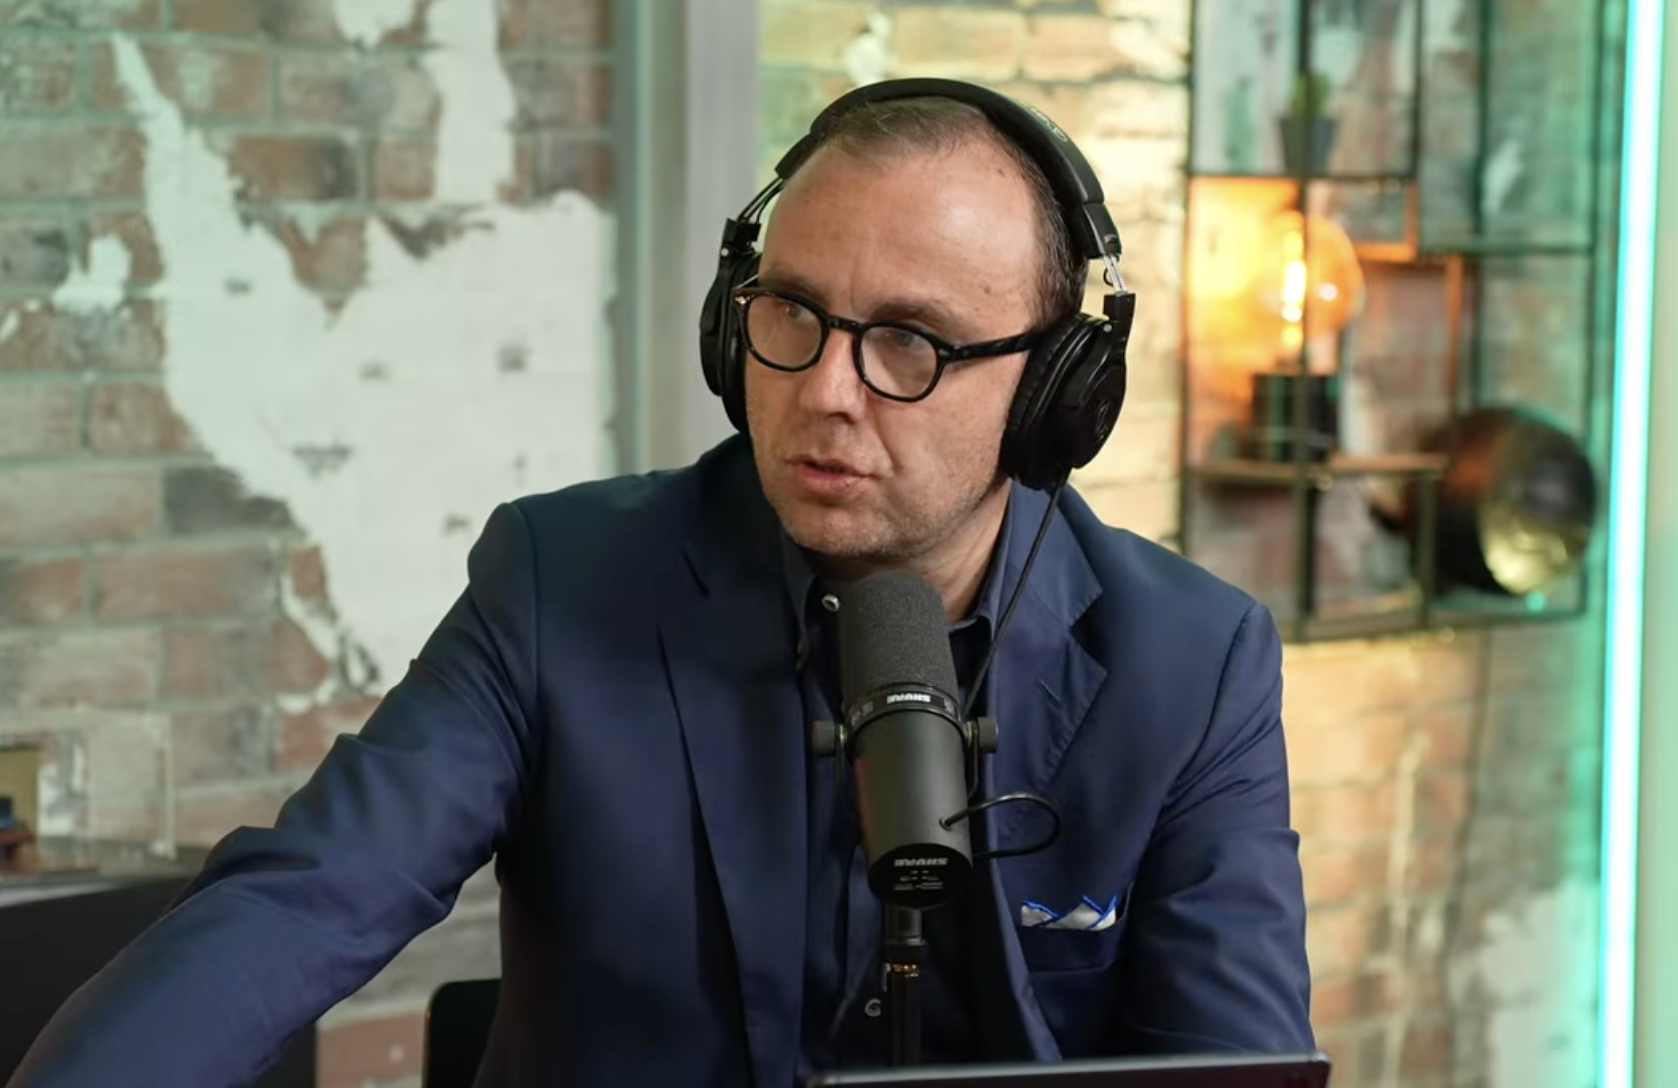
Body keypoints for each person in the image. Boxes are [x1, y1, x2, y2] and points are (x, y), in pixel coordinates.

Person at [6, 78, 1313, 1088]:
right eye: (791, 312)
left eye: (909, 341)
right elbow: (305, 901)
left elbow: (1231, 1063)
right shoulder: (562, 582)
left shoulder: (1191, 665)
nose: (824, 390)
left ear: (1055, 392)